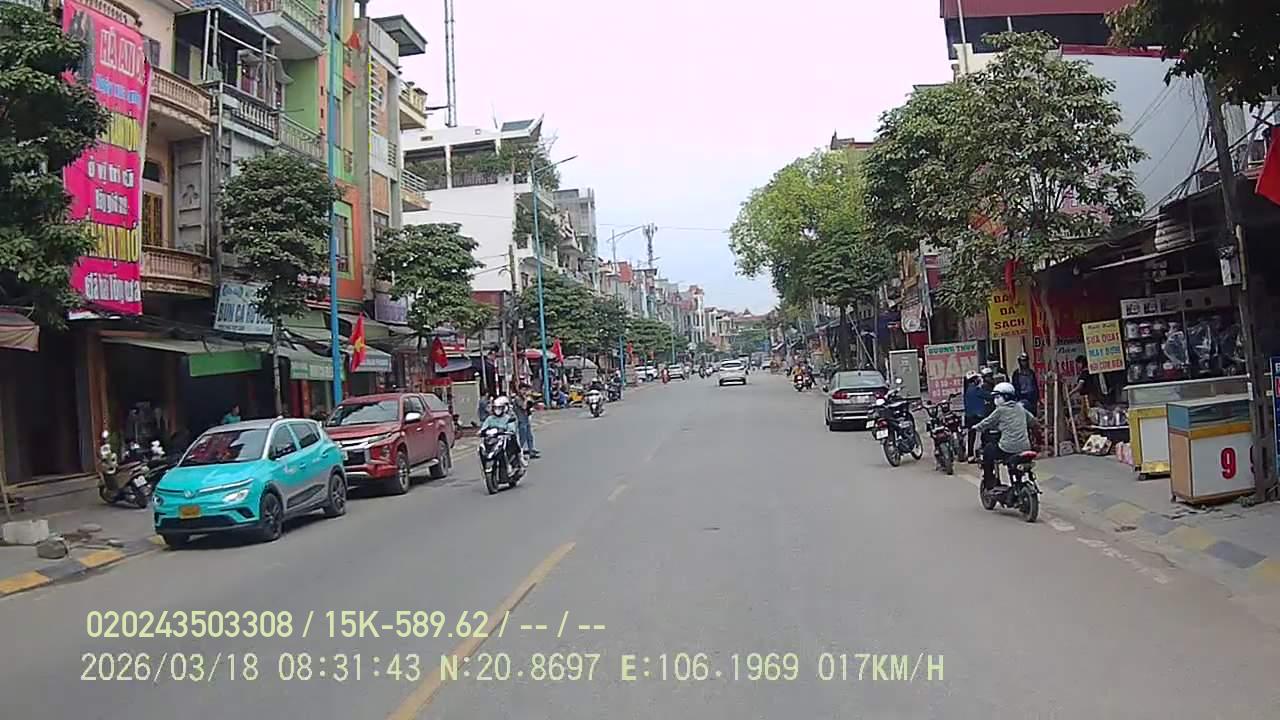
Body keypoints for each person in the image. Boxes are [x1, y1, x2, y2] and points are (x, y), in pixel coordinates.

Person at [972, 381, 1041, 494]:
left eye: (997, 397)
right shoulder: (1021, 408)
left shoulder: (1000, 410)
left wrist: (975, 427)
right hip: (1025, 447)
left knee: (988, 450)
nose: (995, 400)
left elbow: (987, 422)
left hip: (1007, 449)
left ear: (1005, 397)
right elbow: (1034, 423)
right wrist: (1038, 442)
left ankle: (989, 481)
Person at [479, 396, 524, 469]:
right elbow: (484, 427)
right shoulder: (490, 418)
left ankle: (513, 463)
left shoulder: (508, 418)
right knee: (482, 449)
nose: (497, 410)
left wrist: (508, 432)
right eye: (496, 408)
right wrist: (481, 432)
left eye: (499, 408)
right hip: (493, 439)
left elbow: (512, 428)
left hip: (504, 438)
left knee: (512, 444)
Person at [962, 371, 988, 463]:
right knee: (985, 432)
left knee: (971, 436)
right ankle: (982, 452)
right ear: (974, 380)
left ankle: (970, 455)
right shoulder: (976, 390)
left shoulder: (966, 390)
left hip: (969, 417)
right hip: (977, 416)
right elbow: (987, 396)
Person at [513, 384, 540, 459]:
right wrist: (526, 399)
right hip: (521, 420)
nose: (524, 392)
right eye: (523, 390)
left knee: (529, 436)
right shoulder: (517, 398)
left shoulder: (524, 397)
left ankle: (531, 451)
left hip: (526, 418)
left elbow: (530, 405)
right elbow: (524, 407)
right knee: (523, 438)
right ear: (519, 390)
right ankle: (520, 453)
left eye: (525, 390)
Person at [1011, 351, 1039, 416]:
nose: (1024, 363)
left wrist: (1037, 397)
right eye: (1022, 361)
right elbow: (1015, 386)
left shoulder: (1031, 372)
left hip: (1031, 397)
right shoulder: (1016, 374)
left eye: (1025, 360)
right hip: (1022, 397)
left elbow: (1035, 385)